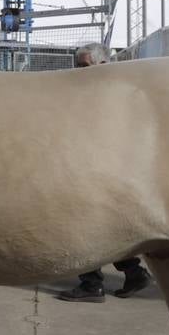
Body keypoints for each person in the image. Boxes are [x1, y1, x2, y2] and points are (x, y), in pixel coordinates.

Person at [56, 43, 152, 303]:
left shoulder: (111, 93)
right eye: (79, 67)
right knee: (106, 229)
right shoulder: (102, 91)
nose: (81, 72)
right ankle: (133, 273)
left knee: (83, 228)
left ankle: (91, 284)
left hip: (101, 172)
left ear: (103, 64)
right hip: (100, 170)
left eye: (86, 66)